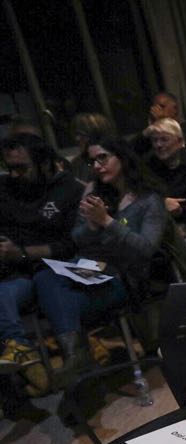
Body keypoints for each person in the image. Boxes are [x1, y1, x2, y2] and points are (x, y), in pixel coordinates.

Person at [32, 136, 166, 383]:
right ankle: (76, 351)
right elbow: (77, 238)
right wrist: (92, 226)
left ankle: (77, 353)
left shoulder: (149, 200)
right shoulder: (94, 192)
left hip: (123, 276)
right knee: (44, 276)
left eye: (102, 158)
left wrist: (107, 222)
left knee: (63, 304)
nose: (96, 166)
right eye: (92, 161)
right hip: (89, 269)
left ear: (122, 158)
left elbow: (145, 249)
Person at [0, 134, 82, 394]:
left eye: (21, 168)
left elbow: (71, 244)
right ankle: (21, 353)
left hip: (54, 268)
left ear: (44, 164)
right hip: (14, 274)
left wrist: (23, 252)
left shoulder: (67, 188)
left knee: (44, 282)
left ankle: (72, 359)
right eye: (9, 168)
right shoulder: (4, 189)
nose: (14, 175)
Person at [143, 118, 186, 230]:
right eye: (155, 140)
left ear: (180, 142)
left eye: (164, 139)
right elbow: (142, 196)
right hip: (159, 223)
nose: (158, 145)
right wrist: (162, 203)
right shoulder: (149, 164)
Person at [68, 113, 117, 182]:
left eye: (81, 134)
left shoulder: (115, 158)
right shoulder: (76, 164)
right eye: (76, 134)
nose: (77, 139)